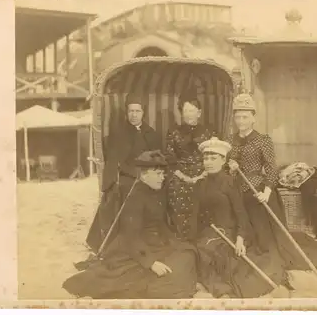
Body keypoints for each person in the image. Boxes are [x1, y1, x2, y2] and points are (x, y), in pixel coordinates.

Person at [63, 151, 198, 299]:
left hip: (156, 243)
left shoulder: (156, 193)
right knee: (144, 278)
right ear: (144, 175)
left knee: (187, 254)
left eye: (163, 174)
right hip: (136, 246)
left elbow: (160, 224)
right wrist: (151, 263)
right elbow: (130, 236)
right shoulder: (135, 198)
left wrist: (174, 241)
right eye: (158, 174)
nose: (162, 177)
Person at [227, 94, 317, 273]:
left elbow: (271, 169)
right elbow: (225, 166)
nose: (241, 121)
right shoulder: (230, 140)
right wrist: (231, 166)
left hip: (258, 194)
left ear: (253, 118)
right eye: (238, 117)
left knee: (267, 243)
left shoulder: (263, 140)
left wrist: (266, 192)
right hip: (236, 193)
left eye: (245, 117)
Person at [191, 137, 288, 298]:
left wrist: (240, 238)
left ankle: (222, 290)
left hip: (229, 232)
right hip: (209, 233)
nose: (208, 162)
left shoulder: (229, 183)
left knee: (226, 259)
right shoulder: (200, 184)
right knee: (199, 253)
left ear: (223, 160)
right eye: (206, 158)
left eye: (213, 158)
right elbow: (196, 216)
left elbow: (241, 213)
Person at [86, 93, 162, 253]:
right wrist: (137, 175)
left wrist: (149, 175)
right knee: (123, 192)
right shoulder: (119, 133)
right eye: (131, 111)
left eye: (137, 111)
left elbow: (157, 158)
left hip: (149, 175)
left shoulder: (151, 133)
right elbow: (116, 161)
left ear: (143, 113)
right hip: (127, 176)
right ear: (126, 113)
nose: (134, 115)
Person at [165, 87, 217, 240]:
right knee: (175, 189)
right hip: (180, 175)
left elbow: (214, 155)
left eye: (192, 110)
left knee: (207, 193)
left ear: (199, 113)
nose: (189, 114)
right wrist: (185, 178)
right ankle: (181, 238)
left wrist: (202, 174)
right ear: (181, 113)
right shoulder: (173, 132)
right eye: (186, 111)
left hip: (205, 173)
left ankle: (203, 238)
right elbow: (170, 158)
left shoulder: (209, 132)